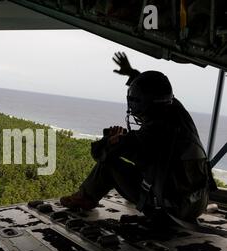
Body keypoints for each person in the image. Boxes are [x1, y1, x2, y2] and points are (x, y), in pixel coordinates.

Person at [60, 52, 215, 223]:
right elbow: (155, 91)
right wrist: (133, 74)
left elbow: (99, 153)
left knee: (109, 166)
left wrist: (111, 139)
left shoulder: (144, 138)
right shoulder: (180, 114)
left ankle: (85, 198)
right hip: (197, 203)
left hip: (171, 210)